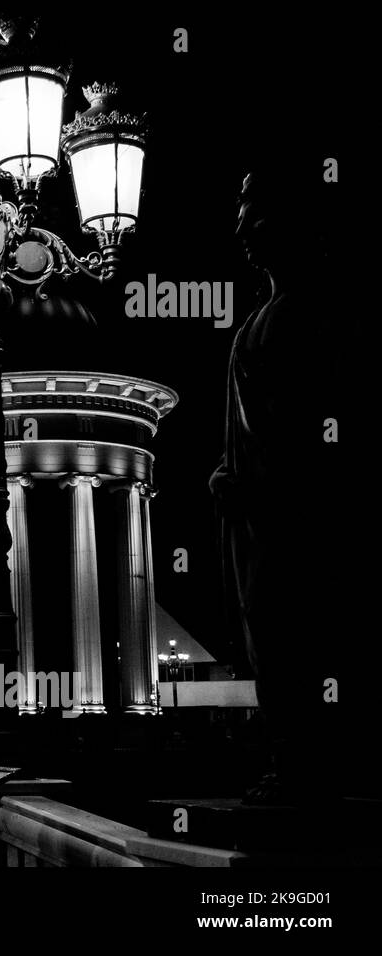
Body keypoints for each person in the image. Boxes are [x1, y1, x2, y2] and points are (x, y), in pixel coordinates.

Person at [212, 168, 347, 805]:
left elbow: (307, 429)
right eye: (241, 216)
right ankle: (287, 760)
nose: (241, 229)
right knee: (266, 634)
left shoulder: (311, 316)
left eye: (254, 215)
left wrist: (261, 487)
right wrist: (226, 471)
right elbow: (250, 430)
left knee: (297, 631)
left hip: (289, 519)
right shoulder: (262, 320)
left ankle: (307, 768)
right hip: (255, 518)